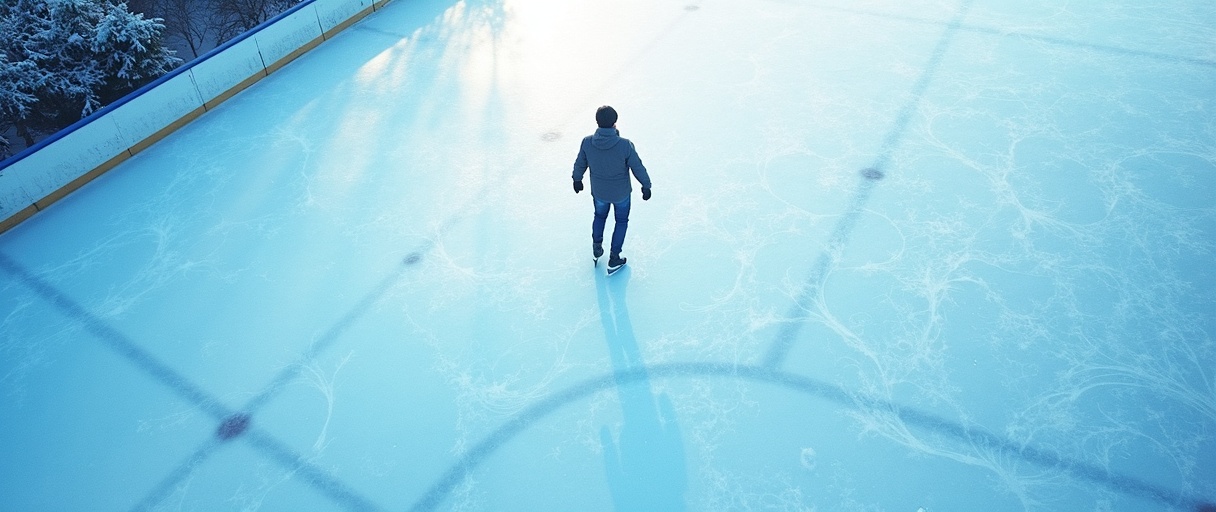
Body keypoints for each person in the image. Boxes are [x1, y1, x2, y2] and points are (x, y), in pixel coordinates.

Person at [572, 106, 652, 274]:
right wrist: (646, 185)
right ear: (615, 123)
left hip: (600, 192)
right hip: (621, 194)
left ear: (597, 122)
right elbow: (637, 167)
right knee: (621, 221)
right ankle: (614, 257)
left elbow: (580, 163)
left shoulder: (587, 142)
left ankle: (597, 247)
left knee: (600, 216)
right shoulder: (625, 145)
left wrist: (577, 179)